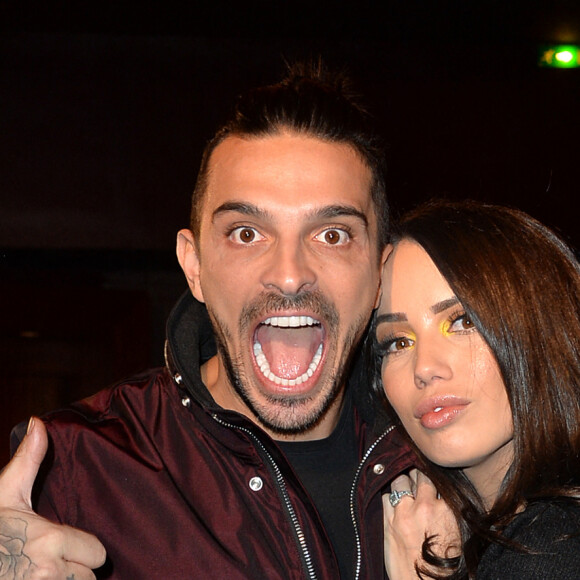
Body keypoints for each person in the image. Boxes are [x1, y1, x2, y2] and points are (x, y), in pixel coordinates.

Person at [0, 62, 418, 579]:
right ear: (193, 266)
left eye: (331, 234)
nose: (289, 276)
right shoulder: (76, 472)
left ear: (379, 271)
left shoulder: (441, 459)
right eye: (247, 233)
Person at [373, 199, 580, 579]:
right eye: (398, 342)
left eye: (462, 321)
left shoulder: (551, 547)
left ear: (541, 326)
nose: (425, 369)